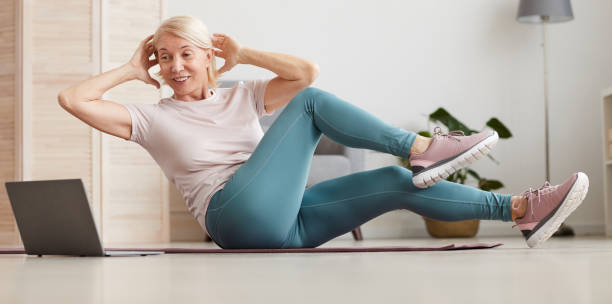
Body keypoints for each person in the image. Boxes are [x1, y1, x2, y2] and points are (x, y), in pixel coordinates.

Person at [58, 15, 589, 249]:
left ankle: (520, 211)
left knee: (400, 185)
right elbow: (72, 99)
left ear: (208, 58)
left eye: (186, 54)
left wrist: (243, 55)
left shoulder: (242, 93)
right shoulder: (150, 118)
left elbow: (305, 73)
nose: (175, 66)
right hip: (231, 217)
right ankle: (424, 148)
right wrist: (132, 70)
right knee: (312, 108)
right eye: (164, 58)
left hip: (285, 224)